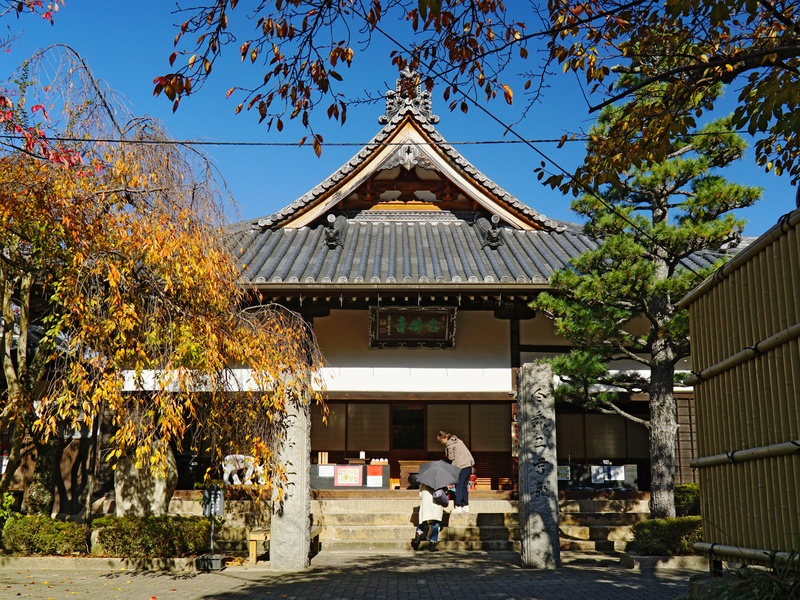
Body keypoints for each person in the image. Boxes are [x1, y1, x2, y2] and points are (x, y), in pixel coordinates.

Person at [437, 430, 474, 514]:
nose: (442, 443)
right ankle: (465, 506)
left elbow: (450, 458)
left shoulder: (450, 445)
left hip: (460, 467)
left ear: (445, 438)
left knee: (459, 486)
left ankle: (458, 506)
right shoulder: (458, 441)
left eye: (441, 441)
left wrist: (445, 455)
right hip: (468, 466)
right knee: (464, 486)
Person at [411, 483, 444, 552]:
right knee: (435, 523)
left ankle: (417, 538)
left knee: (423, 520)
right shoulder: (441, 482)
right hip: (436, 505)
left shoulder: (424, 482)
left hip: (426, 504)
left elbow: (420, 495)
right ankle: (432, 543)